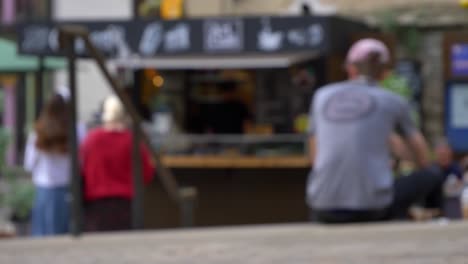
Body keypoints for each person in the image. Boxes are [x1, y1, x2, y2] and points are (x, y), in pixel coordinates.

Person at [306, 38, 444, 223]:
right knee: (433, 174)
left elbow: (314, 156)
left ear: (350, 68)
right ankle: (435, 221)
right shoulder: (393, 101)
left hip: (322, 206)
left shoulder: (321, 96)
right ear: (384, 73)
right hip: (373, 208)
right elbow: (422, 156)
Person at [80, 95, 155, 232]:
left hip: (96, 205)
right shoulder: (132, 141)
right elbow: (147, 173)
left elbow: (81, 170)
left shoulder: (91, 139)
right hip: (125, 204)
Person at [24, 94, 71, 236]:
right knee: (63, 233)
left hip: (44, 187)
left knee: (42, 233)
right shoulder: (72, 132)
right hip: (65, 187)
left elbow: (29, 164)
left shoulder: (38, 132)